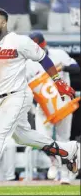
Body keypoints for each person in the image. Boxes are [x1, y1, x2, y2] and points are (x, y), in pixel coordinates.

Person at [0, 5, 78, 195]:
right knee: (23, 136)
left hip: (18, 95)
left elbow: (44, 58)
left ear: (4, 22)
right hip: (1, 98)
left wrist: (59, 83)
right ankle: (68, 150)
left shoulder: (19, 41)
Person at [27, 31, 80, 184]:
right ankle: (54, 163)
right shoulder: (28, 63)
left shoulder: (59, 54)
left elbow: (76, 68)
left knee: (63, 139)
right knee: (41, 139)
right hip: (43, 106)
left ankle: (64, 174)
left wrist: (63, 67)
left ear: (44, 45)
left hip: (63, 103)